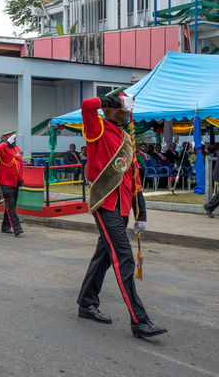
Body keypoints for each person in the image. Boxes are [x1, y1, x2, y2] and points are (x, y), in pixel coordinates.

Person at [77, 92, 167, 338]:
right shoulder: (98, 129)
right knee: (124, 258)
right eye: (126, 105)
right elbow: (88, 104)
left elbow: (133, 177)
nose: (130, 109)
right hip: (106, 204)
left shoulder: (126, 137)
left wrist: (142, 213)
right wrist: (115, 100)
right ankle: (139, 320)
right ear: (115, 108)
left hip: (124, 206)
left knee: (104, 257)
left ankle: (86, 302)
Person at [0, 131, 25, 236]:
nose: (14, 141)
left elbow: (20, 165)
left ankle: (5, 227)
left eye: (15, 139)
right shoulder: (3, 149)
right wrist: (6, 143)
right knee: (10, 205)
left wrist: (21, 179)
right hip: (6, 182)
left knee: (11, 205)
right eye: (12, 139)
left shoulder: (17, 149)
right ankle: (17, 228)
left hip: (15, 181)